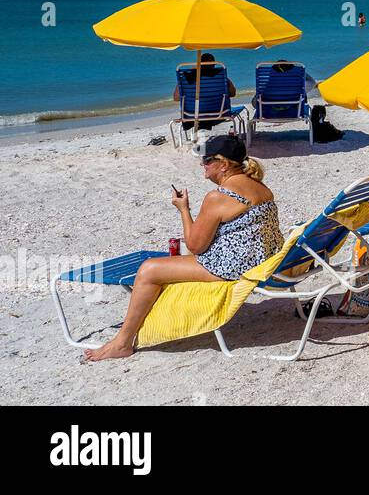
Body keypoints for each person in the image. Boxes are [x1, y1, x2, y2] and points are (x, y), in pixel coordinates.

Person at [84, 136, 283, 361]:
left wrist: (184, 210)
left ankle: (122, 343)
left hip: (233, 268)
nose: (202, 165)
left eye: (207, 160)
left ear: (224, 164)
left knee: (149, 269)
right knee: (165, 264)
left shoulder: (218, 197)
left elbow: (196, 246)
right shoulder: (260, 186)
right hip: (261, 260)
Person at [172, 52, 238, 131]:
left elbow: (176, 98)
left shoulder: (186, 77)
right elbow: (233, 93)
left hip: (191, 115)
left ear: (198, 64)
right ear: (214, 64)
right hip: (220, 114)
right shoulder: (220, 77)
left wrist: (192, 71)